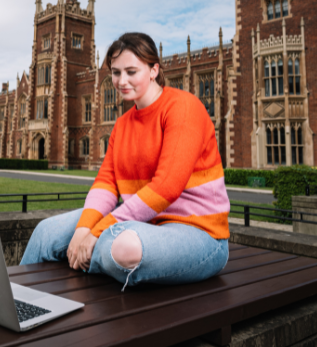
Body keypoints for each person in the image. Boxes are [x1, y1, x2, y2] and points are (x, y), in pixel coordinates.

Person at [20, 32, 230, 291]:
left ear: (154, 70)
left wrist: (96, 232)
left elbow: (167, 186)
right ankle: (17, 304)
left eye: (131, 71)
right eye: (116, 73)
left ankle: (79, 259)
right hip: (141, 224)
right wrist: (83, 229)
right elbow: (106, 184)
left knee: (122, 248)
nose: (122, 81)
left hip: (199, 234)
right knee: (46, 233)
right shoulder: (121, 125)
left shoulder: (183, 108)